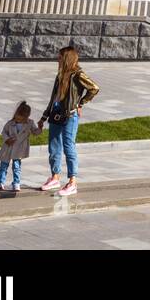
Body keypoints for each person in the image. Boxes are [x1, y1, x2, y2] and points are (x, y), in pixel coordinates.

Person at [39, 47, 99, 197]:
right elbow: (53, 98)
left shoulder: (78, 75)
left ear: (66, 59)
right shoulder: (60, 76)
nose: (57, 60)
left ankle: (72, 182)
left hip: (70, 116)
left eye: (59, 57)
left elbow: (94, 88)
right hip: (56, 115)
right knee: (54, 147)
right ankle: (55, 177)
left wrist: (81, 103)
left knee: (68, 147)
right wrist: (44, 117)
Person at [0, 100, 43, 192]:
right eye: (17, 118)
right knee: (3, 166)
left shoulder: (29, 123)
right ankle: (0, 183)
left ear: (26, 117)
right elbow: (4, 132)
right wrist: (7, 139)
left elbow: (35, 132)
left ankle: (16, 183)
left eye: (20, 119)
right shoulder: (10, 123)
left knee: (16, 166)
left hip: (19, 149)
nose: (18, 120)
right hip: (8, 148)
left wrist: (40, 128)